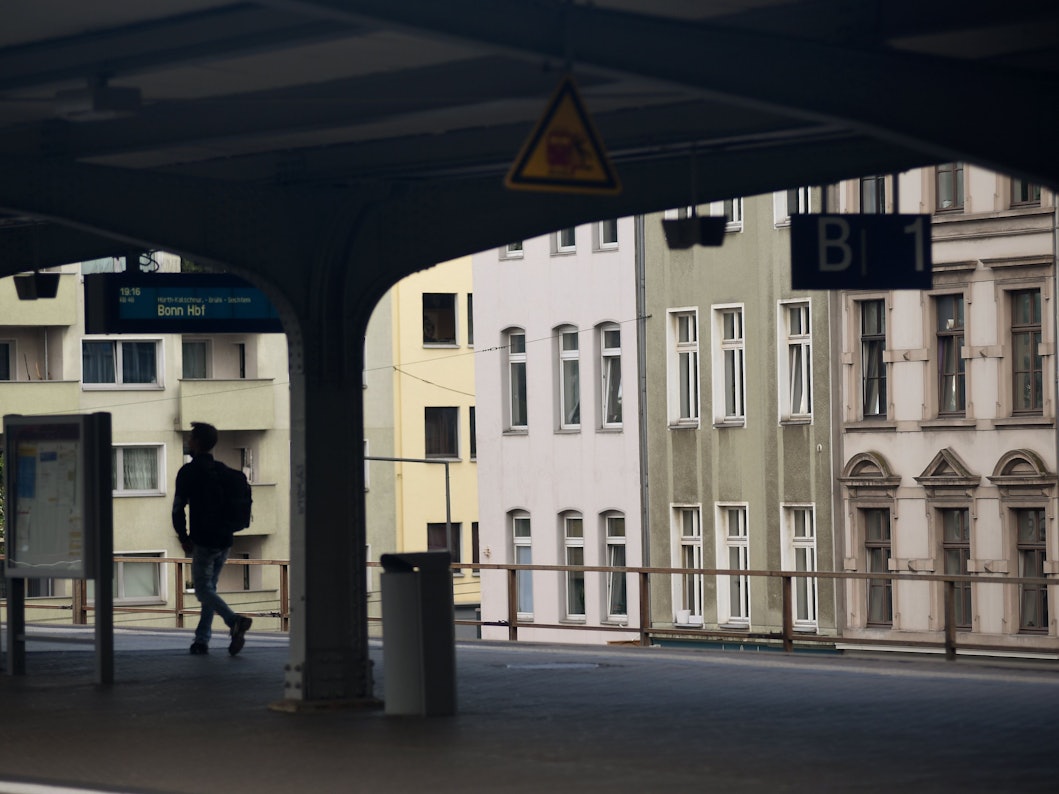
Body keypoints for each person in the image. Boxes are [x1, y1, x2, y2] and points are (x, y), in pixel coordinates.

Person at [172, 421, 253, 656]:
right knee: (210, 588)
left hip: (204, 540)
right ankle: (201, 641)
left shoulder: (188, 472)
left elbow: (178, 508)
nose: (188, 441)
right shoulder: (223, 470)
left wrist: (183, 536)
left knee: (202, 590)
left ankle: (234, 620)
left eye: (190, 438)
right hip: (225, 539)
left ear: (196, 443)